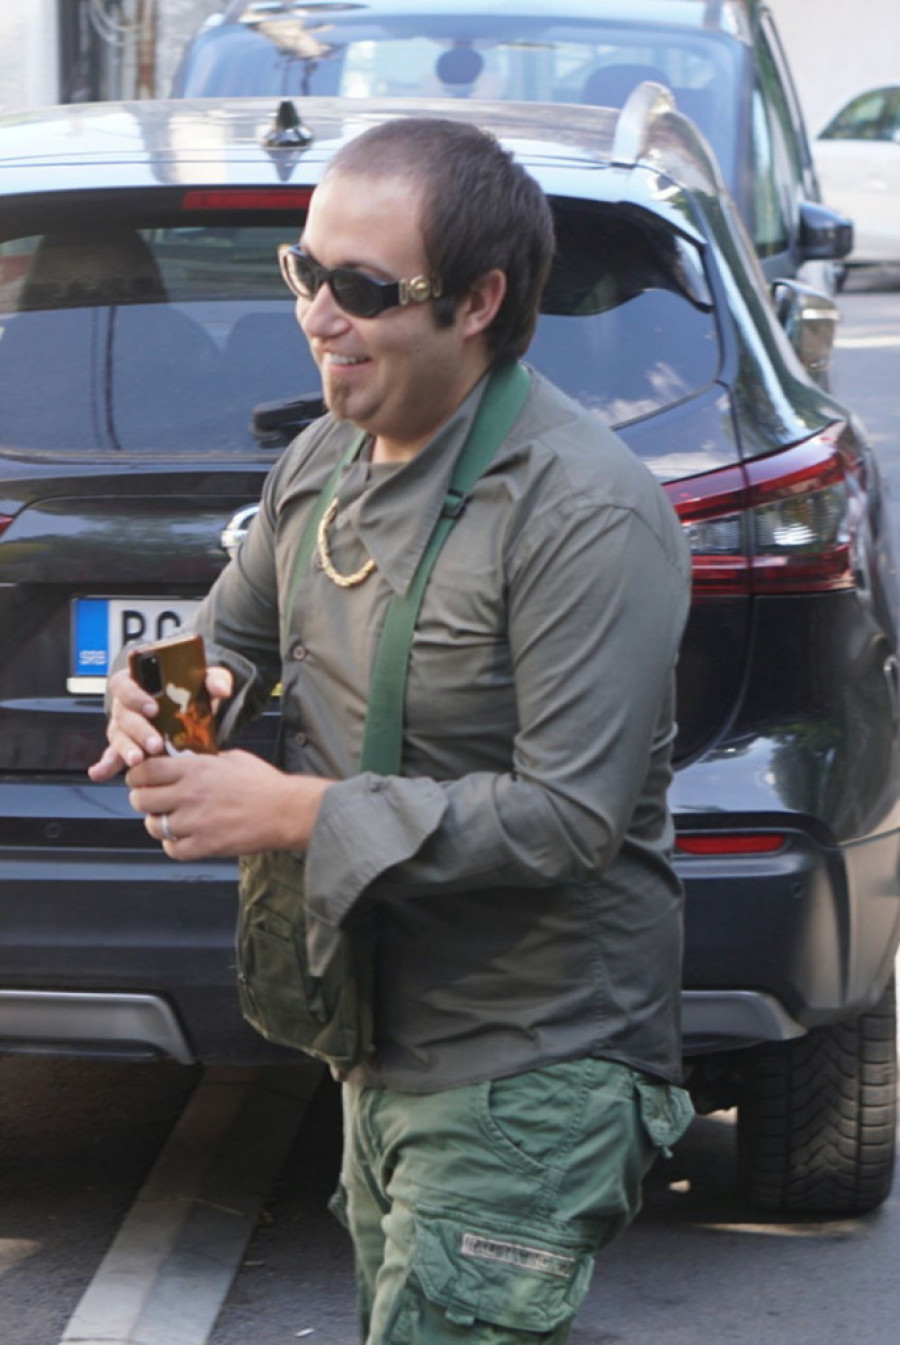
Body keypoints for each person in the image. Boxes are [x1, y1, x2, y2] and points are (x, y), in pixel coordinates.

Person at [90, 116, 694, 1343]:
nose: (318, 314)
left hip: (535, 1061)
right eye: (306, 272)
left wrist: (290, 811)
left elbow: (569, 819)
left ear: (479, 302)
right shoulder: (323, 458)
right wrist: (157, 703)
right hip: (376, 1039)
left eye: (364, 289)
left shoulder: (587, 513)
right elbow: (224, 640)